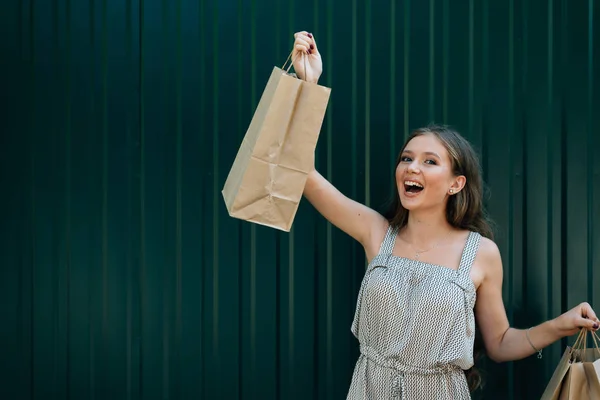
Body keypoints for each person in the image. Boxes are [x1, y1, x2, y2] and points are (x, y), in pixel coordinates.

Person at [290, 31, 600, 399]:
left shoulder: (481, 253)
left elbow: (500, 343)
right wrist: (307, 85)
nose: (411, 168)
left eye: (429, 161)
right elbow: (301, 171)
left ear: (456, 184)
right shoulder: (377, 232)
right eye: (406, 158)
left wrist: (558, 326)